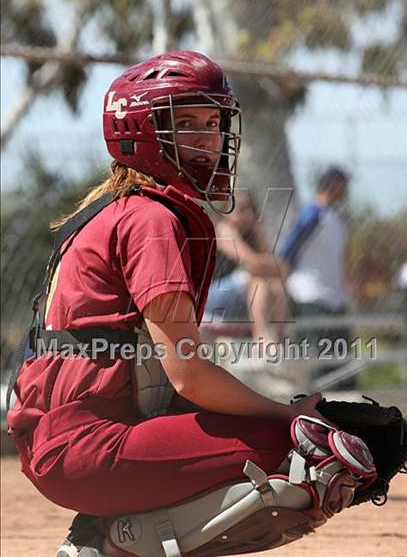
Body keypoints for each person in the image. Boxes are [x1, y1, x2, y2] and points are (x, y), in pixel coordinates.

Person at [7, 51, 330, 557]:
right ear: (139, 130)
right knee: (313, 455)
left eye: (212, 123)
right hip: (85, 444)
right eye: (186, 124)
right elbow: (188, 375)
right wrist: (285, 415)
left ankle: (108, 533)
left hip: (83, 437)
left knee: (301, 441)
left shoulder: (134, 208)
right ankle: (114, 543)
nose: (207, 140)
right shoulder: (150, 220)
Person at [279, 166, 352, 388]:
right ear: (335, 184)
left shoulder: (335, 217)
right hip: (311, 297)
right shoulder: (312, 214)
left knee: (341, 363)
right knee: (317, 363)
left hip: (334, 299)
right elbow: (286, 254)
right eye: (344, 185)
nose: (347, 191)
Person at [203, 190, 288, 341]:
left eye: (251, 210)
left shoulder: (252, 233)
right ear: (227, 211)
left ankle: (281, 338)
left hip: (237, 296)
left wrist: (259, 232)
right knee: (257, 281)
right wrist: (276, 265)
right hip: (210, 299)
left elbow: (276, 269)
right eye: (242, 209)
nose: (247, 215)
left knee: (276, 285)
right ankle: (261, 337)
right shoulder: (224, 229)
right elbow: (254, 263)